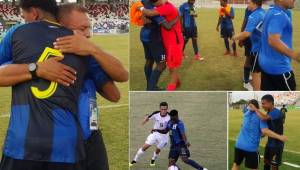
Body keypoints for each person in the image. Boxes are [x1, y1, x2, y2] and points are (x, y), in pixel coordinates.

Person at [0, 1, 127, 170]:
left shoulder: (85, 51)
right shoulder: (24, 41)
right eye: (82, 29)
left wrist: (93, 51)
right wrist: (35, 69)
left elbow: (115, 92)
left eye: (88, 27)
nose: (88, 34)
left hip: (90, 135)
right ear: (61, 27)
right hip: (63, 140)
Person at [139, 0, 184, 91]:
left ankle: (151, 87)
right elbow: (167, 26)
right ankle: (151, 89)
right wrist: (177, 18)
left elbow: (145, 14)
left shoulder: (150, 4)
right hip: (154, 37)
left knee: (151, 61)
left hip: (146, 35)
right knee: (162, 64)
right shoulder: (157, 9)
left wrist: (140, 8)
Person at [232, 99, 287, 170]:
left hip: (239, 145)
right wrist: (280, 137)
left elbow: (244, 126)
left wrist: (258, 135)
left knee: (236, 165)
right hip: (251, 148)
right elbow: (265, 131)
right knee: (254, 168)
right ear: (257, 107)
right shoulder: (260, 118)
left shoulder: (245, 115)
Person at [259, 0, 300, 91]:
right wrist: (295, 55)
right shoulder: (279, 15)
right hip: (279, 68)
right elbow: (273, 40)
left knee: (272, 97)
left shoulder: (271, 11)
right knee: (290, 102)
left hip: (266, 65)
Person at [233, 0, 265, 91]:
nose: (247, 4)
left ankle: (249, 84)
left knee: (254, 68)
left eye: (249, 2)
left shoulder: (254, 15)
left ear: (254, 3)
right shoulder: (263, 12)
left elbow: (246, 32)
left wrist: (236, 37)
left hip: (256, 46)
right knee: (255, 64)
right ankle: (248, 80)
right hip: (261, 45)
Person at [130, 102, 170, 167]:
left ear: (167, 109)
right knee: (145, 147)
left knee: (158, 149)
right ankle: (134, 160)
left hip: (164, 136)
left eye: (165, 109)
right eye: (162, 109)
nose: (163, 111)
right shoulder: (156, 113)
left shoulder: (170, 117)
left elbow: (166, 131)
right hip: (155, 134)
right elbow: (148, 118)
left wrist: (156, 129)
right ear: (160, 109)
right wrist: (144, 120)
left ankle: (153, 159)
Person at [252, 95, 286, 170]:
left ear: (271, 103)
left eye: (264, 103)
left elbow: (263, 118)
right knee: (266, 162)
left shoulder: (276, 112)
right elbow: (267, 129)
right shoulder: (269, 113)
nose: (262, 105)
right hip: (270, 143)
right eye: (262, 103)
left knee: (274, 165)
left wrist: (255, 109)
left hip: (277, 144)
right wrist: (260, 136)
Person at [239, 7, 253, 91]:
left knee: (253, 58)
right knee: (249, 58)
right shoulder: (249, 9)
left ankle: (247, 76)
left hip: (255, 38)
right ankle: (246, 81)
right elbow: (245, 22)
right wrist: (241, 37)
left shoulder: (258, 8)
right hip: (249, 38)